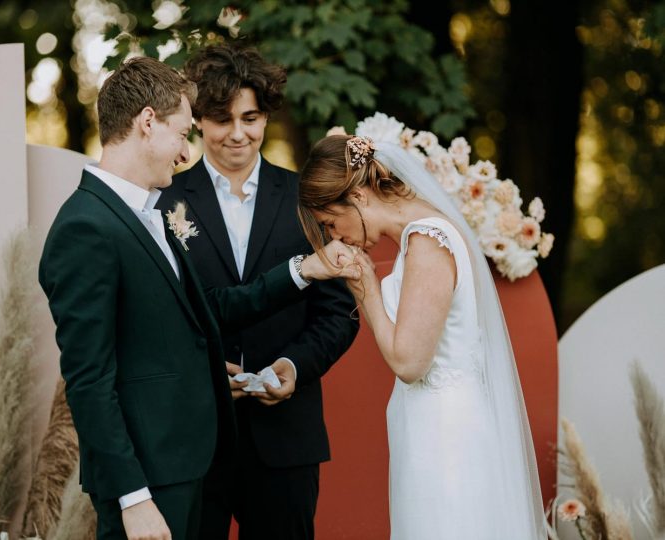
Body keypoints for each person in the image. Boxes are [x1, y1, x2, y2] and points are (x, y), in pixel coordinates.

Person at [38, 57, 355, 540]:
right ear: (148, 123)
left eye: (250, 119)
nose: (186, 152)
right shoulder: (89, 225)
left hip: (217, 458)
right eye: (184, 133)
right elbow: (88, 381)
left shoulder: (143, 212)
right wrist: (133, 496)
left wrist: (301, 271)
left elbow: (209, 311)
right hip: (157, 473)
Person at [297, 135, 547, 539]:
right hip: (431, 429)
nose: (336, 237)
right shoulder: (420, 237)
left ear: (358, 196)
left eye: (330, 223)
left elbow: (410, 362)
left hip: (446, 437)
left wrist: (368, 293)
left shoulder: (428, 242)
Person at [158, 45, 358, 540]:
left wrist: (294, 366)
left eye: (250, 117)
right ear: (199, 120)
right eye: (222, 118)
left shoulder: (306, 201)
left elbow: (339, 314)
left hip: (286, 439)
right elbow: (160, 318)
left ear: (266, 116)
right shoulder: (164, 202)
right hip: (193, 438)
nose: (238, 133)